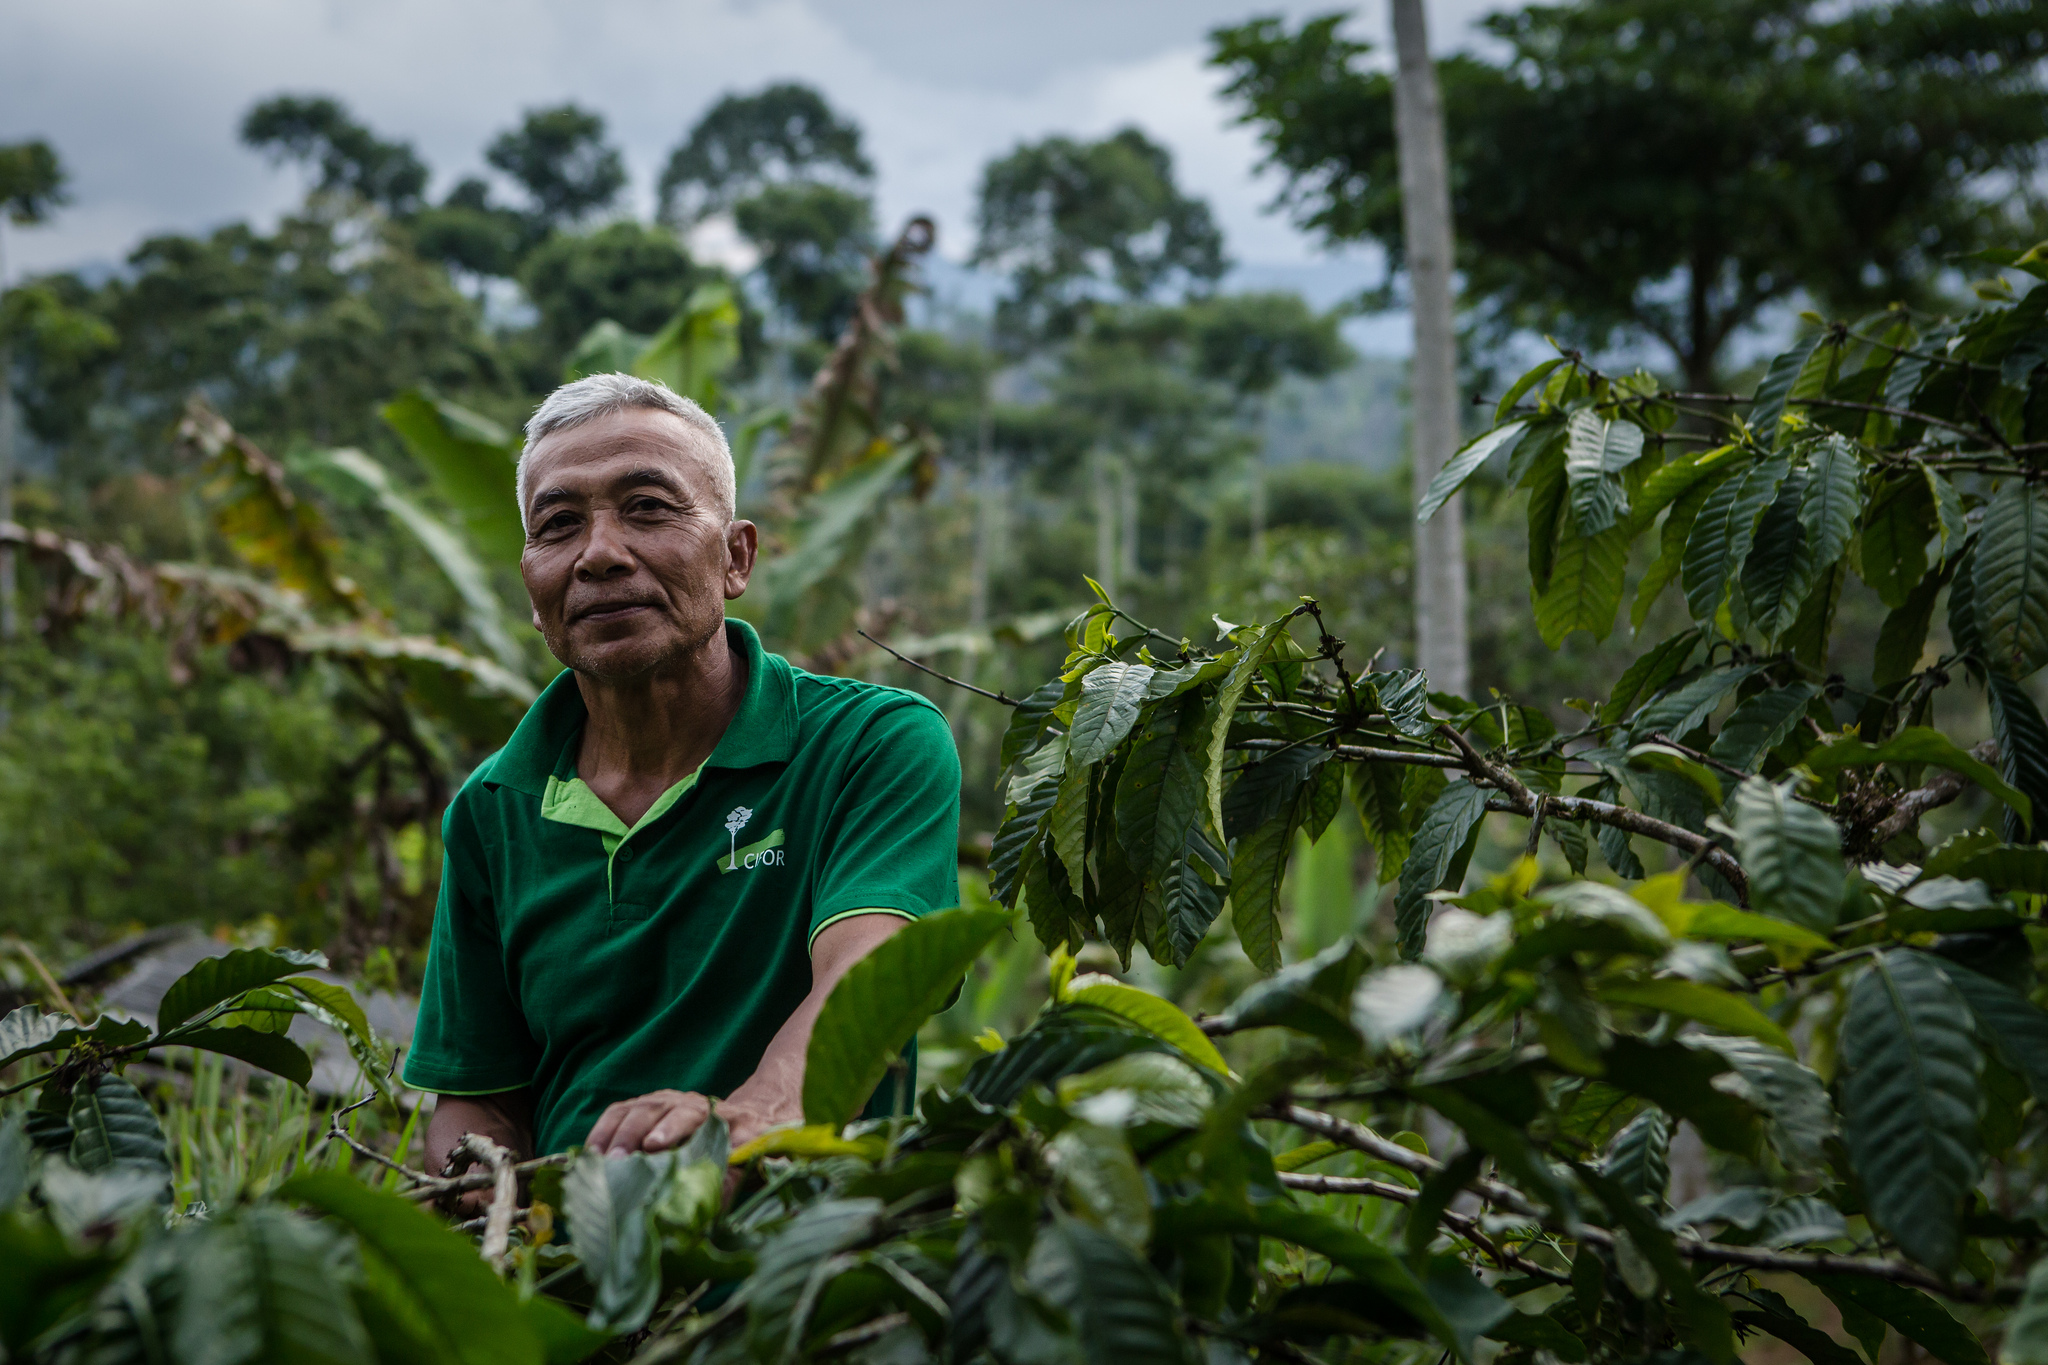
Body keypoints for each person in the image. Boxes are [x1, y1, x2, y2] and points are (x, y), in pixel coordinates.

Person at [402, 373, 961, 1175]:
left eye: (648, 508)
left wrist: (751, 1118)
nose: (599, 554)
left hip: (803, 1244)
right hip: (560, 1262)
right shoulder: (494, 808)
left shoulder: (869, 746)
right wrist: (484, 1184)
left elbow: (869, 979)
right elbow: (480, 1090)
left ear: (737, 557)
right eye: (559, 525)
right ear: (532, 588)